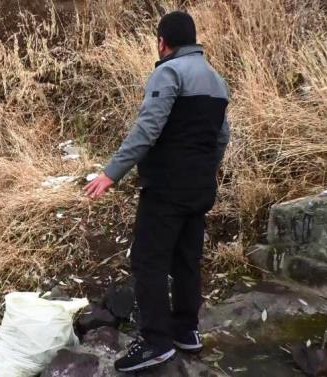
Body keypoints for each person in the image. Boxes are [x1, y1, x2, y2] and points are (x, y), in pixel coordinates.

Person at [83, 11, 230, 372]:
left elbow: (147, 130)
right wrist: (206, 169)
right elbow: (222, 137)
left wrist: (111, 173)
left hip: (167, 187)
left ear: (163, 42)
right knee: (186, 259)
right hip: (200, 186)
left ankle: (155, 343)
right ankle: (186, 331)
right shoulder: (216, 80)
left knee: (148, 261)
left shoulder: (169, 72)